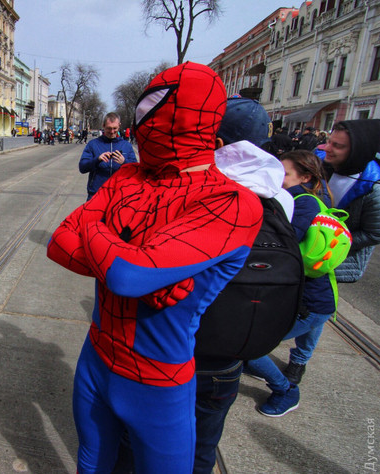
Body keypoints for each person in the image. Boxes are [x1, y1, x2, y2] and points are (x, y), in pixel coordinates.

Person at [47, 62, 263, 473]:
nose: (144, 122)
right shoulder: (130, 175)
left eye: (155, 110)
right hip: (96, 357)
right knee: (89, 464)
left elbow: (126, 275)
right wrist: (139, 267)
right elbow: (59, 243)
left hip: (157, 379)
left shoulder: (232, 202)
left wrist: (92, 225)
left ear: (190, 120)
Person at [193, 96, 291, 473]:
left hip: (182, 347)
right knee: (204, 446)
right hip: (233, 349)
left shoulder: (199, 188)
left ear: (216, 143)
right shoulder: (281, 196)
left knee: (146, 441)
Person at [245, 149, 336, 418]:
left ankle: (285, 390)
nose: (277, 178)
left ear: (305, 177)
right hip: (313, 298)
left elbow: (280, 245)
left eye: (284, 174)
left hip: (310, 301)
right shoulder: (301, 199)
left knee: (248, 345)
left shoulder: (302, 203)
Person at [324, 120, 380, 283]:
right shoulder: (323, 165)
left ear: (357, 151)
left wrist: (333, 241)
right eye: (329, 142)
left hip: (341, 259)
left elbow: (374, 234)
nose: (327, 148)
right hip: (313, 250)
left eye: (337, 146)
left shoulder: (374, 188)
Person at [78, 112, 136, 200]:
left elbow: (136, 170)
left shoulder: (126, 145)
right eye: (109, 128)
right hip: (96, 194)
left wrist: (124, 162)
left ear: (119, 126)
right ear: (103, 126)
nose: (112, 132)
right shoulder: (93, 144)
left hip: (120, 195)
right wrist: (97, 160)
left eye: (114, 128)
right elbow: (82, 167)